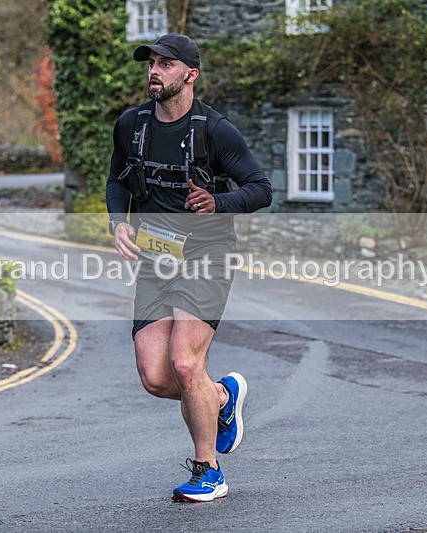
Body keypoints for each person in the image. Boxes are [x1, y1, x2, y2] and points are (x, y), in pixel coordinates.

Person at [106, 33, 272, 502]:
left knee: (184, 362)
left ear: (190, 74)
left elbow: (260, 189)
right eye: (151, 63)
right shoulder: (131, 125)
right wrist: (118, 222)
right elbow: (117, 180)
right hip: (156, 261)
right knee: (157, 377)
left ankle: (208, 471)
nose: (154, 71)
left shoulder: (215, 131)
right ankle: (220, 397)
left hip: (206, 256)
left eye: (166, 64)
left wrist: (218, 201)